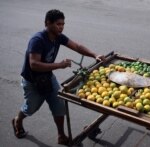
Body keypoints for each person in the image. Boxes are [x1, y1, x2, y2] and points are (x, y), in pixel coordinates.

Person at [12, 9, 105, 145]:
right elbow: (34, 64)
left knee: (59, 105)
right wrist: (59, 65)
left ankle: (61, 136)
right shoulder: (37, 40)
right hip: (32, 81)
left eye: (62, 24)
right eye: (58, 24)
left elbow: (77, 46)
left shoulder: (58, 37)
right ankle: (17, 120)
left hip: (48, 78)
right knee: (31, 108)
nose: (61, 27)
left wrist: (94, 55)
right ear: (47, 23)